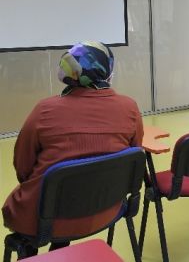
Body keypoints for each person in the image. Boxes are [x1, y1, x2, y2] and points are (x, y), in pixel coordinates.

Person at [2, 41, 143, 255]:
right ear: (106, 70)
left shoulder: (45, 110)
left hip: (46, 219)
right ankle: (59, 249)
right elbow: (133, 156)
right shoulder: (129, 107)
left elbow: (23, 167)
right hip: (107, 210)